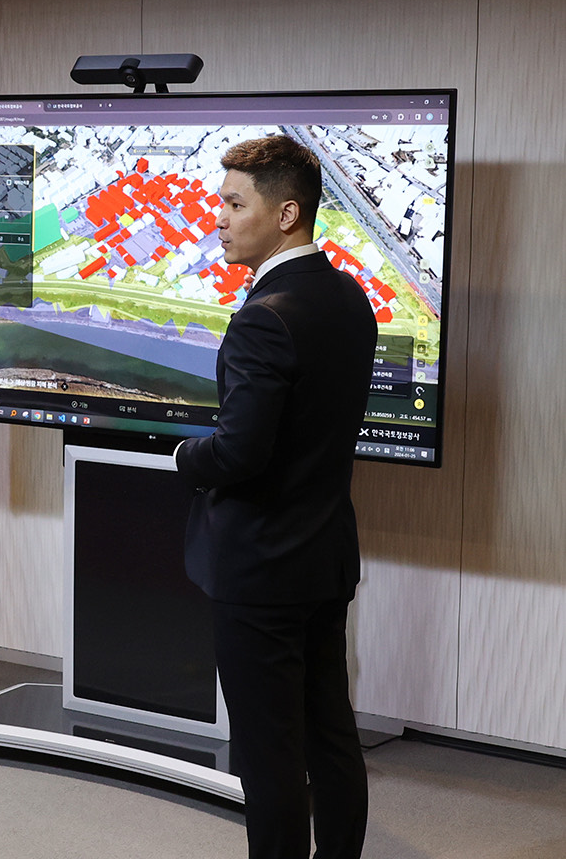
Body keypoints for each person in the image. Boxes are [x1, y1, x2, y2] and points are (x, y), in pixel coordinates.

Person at [176, 134, 377, 859]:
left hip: (261, 570)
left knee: (269, 758)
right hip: (323, 556)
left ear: (287, 213)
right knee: (331, 736)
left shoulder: (266, 315)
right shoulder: (349, 297)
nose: (219, 219)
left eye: (235, 204)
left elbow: (239, 453)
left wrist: (183, 456)